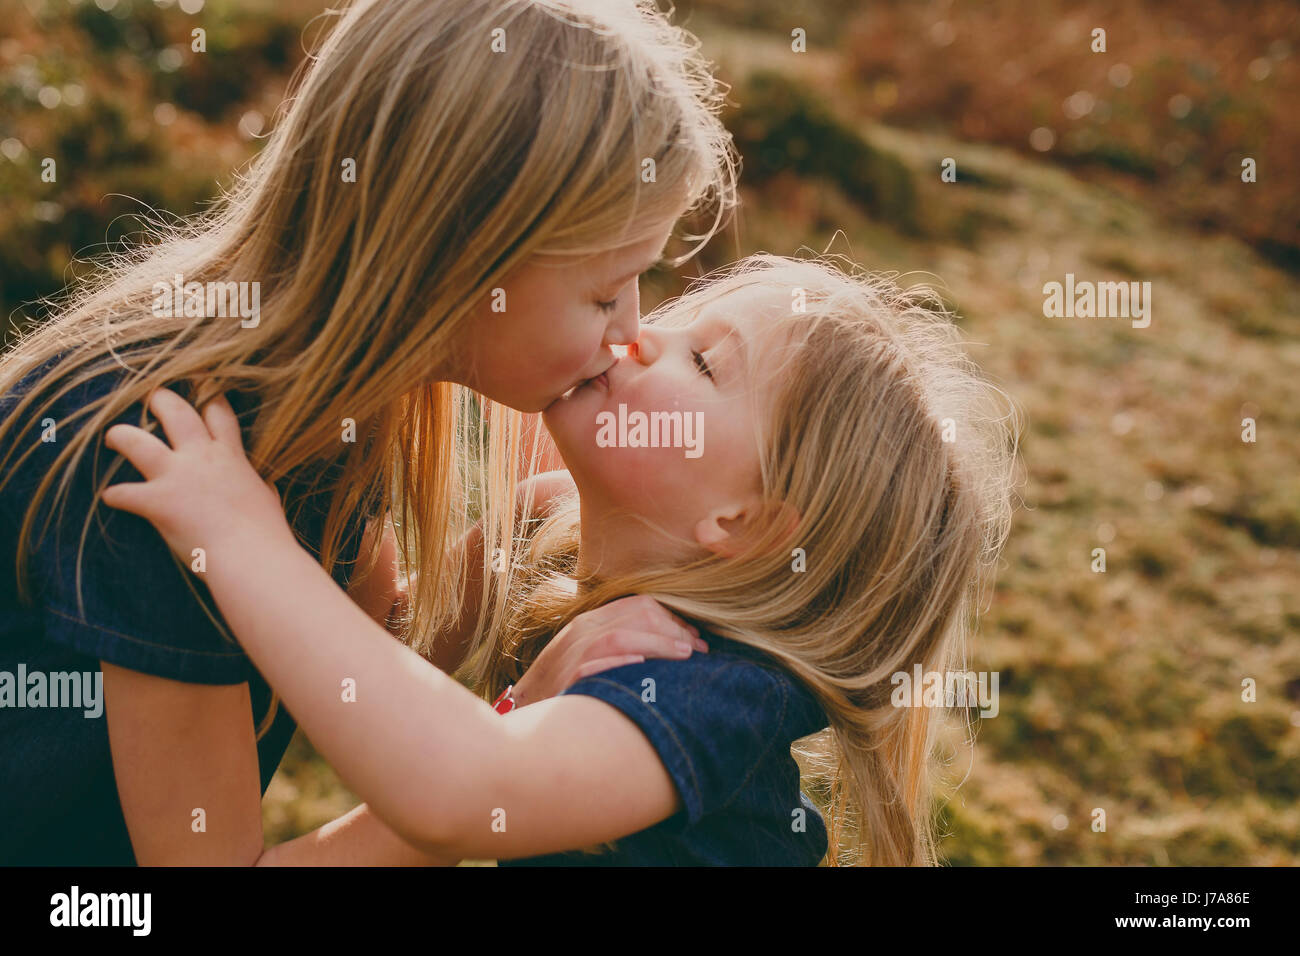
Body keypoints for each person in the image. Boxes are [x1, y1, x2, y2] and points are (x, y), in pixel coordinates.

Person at [0, 0, 735, 865]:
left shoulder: (329, 404)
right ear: (458, 262)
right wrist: (521, 730)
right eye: (606, 293)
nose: (628, 330)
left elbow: (338, 656)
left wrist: (537, 551)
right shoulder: (163, 453)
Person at [99, 254, 1022, 865]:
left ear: (747, 520)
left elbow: (462, 789)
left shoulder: (700, 690)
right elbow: (375, 668)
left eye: (703, 363)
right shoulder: (554, 532)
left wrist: (238, 537)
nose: (640, 331)